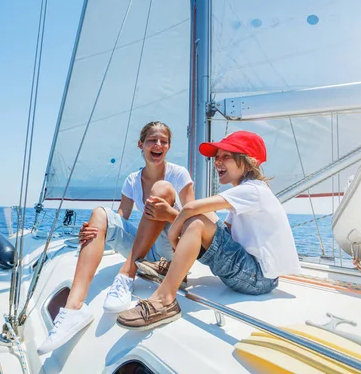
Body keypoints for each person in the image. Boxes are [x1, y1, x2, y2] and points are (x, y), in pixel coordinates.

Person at [117, 130, 301, 330]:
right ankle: (174, 270)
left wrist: (173, 231)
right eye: (216, 157)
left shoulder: (253, 190)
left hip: (258, 278)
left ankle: (164, 300)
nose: (217, 162)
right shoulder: (251, 191)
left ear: (249, 162)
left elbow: (190, 208)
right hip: (257, 275)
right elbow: (223, 232)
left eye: (226, 157)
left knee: (196, 221)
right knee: (208, 218)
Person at [37, 121, 195, 354]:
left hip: (173, 248)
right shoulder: (132, 180)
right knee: (100, 214)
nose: (158, 144)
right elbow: (122, 217)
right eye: (152, 140)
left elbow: (192, 221)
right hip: (147, 251)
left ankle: (127, 272)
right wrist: (97, 230)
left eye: (163, 141)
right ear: (141, 145)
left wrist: (168, 214)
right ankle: (73, 309)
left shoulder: (178, 174)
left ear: (168, 147)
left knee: (162, 189)